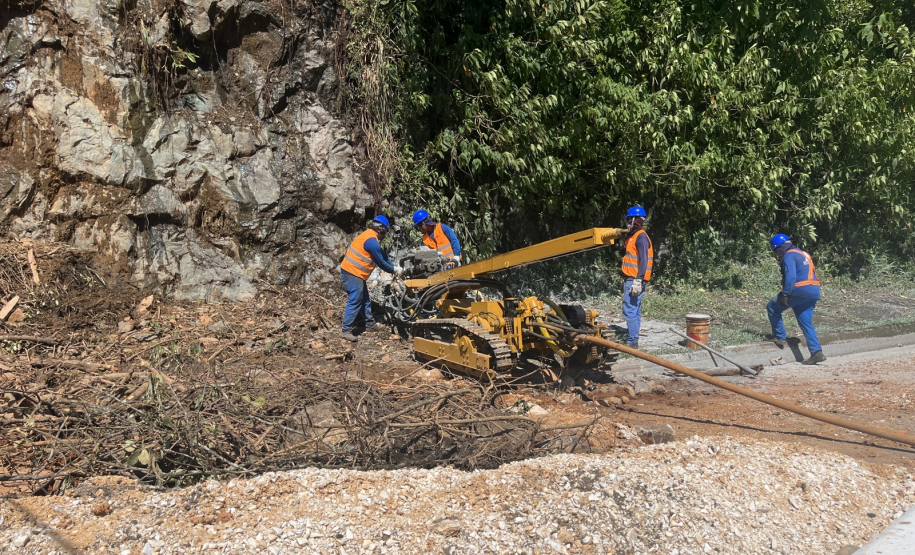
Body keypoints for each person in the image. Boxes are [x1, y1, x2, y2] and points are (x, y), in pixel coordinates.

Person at [340, 216, 403, 342]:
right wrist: (393, 270)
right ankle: (346, 330)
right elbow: (381, 262)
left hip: (355, 273)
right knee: (356, 300)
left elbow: (383, 255)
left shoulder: (370, 237)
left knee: (365, 300)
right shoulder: (372, 242)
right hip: (353, 273)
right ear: (382, 230)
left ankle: (370, 324)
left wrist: (393, 265)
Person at [767, 234, 825, 364]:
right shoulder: (803, 253)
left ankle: (779, 337)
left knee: (772, 307)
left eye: (776, 251)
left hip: (799, 289)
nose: (777, 255)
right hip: (813, 291)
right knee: (805, 322)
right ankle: (816, 352)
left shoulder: (789, 255)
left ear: (779, 248)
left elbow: (791, 276)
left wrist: (785, 294)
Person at [621, 206, 653, 348]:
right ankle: (633, 338)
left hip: (635, 280)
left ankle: (632, 341)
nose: (627, 223)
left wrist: (638, 280)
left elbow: (644, 260)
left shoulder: (641, 237)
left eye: (629, 220)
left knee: (630, 309)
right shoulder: (633, 237)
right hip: (632, 278)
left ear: (636, 220)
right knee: (635, 309)